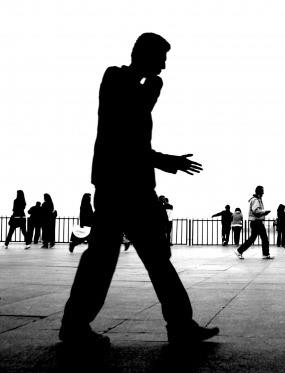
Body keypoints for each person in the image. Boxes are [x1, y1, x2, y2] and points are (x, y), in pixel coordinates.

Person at [59, 33, 219, 348]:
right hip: (120, 187)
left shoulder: (137, 86)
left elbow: (131, 137)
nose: (164, 65)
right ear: (144, 54)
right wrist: (164, 159)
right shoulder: (117, 77)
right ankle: (176, 325)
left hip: (132, 187)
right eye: (161, 57)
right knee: (113, 259)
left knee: (127, 258)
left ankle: (79, 325)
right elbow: (124, 137)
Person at [235, 186, 273, 259]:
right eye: (262, 191)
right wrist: (265, 212)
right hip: (257, 222)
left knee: (252, 239)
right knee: (264, 238)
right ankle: (265, 254)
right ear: (260, 192)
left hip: (254, 222)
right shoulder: (256, 200)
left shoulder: (255, 200)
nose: (263, 193)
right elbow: (256, 211)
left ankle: (239, 251)